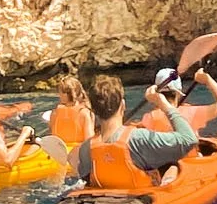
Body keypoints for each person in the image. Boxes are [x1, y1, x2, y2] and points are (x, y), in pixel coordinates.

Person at [70, 74, 199, 192]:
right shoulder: (139, 139)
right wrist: (162, 103)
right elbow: (189, 139)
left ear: (93, 110)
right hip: (141, 201)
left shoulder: (86, 149)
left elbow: (85, 177)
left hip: (105, 202)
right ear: (123, 105)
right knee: (172, 165)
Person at [138, 65, 217, 136]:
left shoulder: (149, 117)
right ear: (179, 93)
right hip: (190, 156)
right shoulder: (193, 113)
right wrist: (207, 79)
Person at [47, 73, 93, 152]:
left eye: (61, 92)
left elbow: (51, 137)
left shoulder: (54, 113)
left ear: (67, 94)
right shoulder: (84, 113)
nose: (59, 95)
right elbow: (89, 141)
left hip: (58, 152)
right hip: (77, 153)